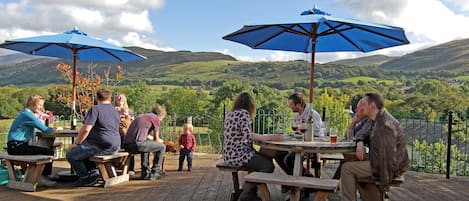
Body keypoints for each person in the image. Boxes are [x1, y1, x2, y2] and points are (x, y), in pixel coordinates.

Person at [341, 93, 409, 201]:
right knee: (351, 159)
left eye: (363, 104)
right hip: (383, 160)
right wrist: (360, 142)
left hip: (390, 166)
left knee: (347, 168)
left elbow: (387, 159)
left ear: (372, 105)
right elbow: (364, 134)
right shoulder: (377, 119)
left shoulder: (384, 125)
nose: (360, 108)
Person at [223, 92, 283, 201]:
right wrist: (270, 137)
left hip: (229, 154)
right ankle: (245, 193)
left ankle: (250, 194)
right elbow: (248, 135)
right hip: (239, 155)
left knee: (264, 158)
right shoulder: (243, 113)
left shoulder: (230, 114)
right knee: (268, 166)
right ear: (250, 105)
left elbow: (240, 136)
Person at [66, 89, 121, 187]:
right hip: (116, 145)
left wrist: (77, 143)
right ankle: (93, 173)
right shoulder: (115, 111)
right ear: (110, 98)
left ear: (97, 98)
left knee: (71, 154)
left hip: (101, 145)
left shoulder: (95, 109)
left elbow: (86, 129)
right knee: (84, 153)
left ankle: (86, 177)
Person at [7, 94, 56, 186]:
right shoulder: (28, 115)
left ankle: (43, 176)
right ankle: (42, 178)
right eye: (40, 105)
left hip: (15, 146)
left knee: (45, 150)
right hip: (17, 147)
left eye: (42, 105)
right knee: (49, 152)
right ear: (32, 104)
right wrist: (56, 129)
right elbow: (45, 129)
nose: (41, 108)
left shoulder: (25, 113)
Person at [274, 92, 323, 176]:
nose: (290, 106)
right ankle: (294, 178)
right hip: (299, 142)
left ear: (299, 103)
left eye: (291, 104)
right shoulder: (297, 114)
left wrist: (303, 129)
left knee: (289, 159)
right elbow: (297, 130)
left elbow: (317, 130)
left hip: (312, 144)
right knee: (278, 154)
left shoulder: (312, 114)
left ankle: (307, 179)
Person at [122, 104, 167, 180]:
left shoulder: (142, 116)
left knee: (146, 145)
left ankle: (145, 172)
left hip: (127, 145)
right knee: (162, 147)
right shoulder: (155, 118)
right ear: (160, 115)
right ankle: (155, 172)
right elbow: (156, 139)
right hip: (137, 144)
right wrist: (163, 141)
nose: (161, 121)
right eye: (162, 118)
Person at [114, 93, 135, 175]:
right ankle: (117, 166)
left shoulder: (129, 111)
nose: (119, 99)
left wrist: (128, 116)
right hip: (116, 133)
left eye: (122, 98)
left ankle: (130, 168)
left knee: (130, 150)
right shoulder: (113, 110)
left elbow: (133, 121)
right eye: (118, 98)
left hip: (127, 133)